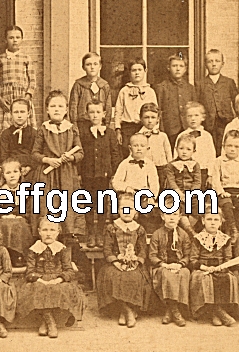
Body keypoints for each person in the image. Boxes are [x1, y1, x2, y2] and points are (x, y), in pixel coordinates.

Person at [16, 219, 85, 338]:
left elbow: (69, 270)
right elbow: (30, 272)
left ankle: (45, 323)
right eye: (45, 230)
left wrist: (58, 279)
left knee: (60, 289)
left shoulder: (62, 249)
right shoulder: (34, 250)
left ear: (58, 232)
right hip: (39, 279)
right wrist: (41, 280)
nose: (48, 233)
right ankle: (50, 322)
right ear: (39, 232)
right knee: (38, 288)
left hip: (57, 278)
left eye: (52, 230)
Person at [32, 90, 84, 236]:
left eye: (60, 106)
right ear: (47, 110)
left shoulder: (72, 128)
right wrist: (48, 160)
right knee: (47, 203)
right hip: (47, 174)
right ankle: (46, 235)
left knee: (66, 202)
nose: (57, 109)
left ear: (66, 110)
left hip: (66, 173)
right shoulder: (43, 129)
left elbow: (80, 153)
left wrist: (71, 157)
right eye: (53, 106)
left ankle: (67, 236)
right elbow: (35, 153)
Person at [97, 194, 151, 328]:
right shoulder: (112, 228)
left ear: (136, 211)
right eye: (123, 209)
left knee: (136, 277)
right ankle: (127, 311)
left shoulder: (139, 229)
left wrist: (136, 262)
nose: (127, 212)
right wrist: (116, 262)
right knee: (114, 276)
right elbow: (107, 249)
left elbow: (143, 250)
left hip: (134, 263)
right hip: (115, 263)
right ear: (118, 210)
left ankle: (127, 311)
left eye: (130, 209)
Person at [78, 101, 121, 247]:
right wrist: (79, 173)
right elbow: (80, 154)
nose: (95, 115)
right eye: (91, 112)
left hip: (104, 175)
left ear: (104, 114)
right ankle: (91, 233)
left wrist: (114, 173)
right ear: (87, 114)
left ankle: (101, 234)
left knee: (102, 205)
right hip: (88, 175)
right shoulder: (84, 133)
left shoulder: (110, 133)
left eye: (98, 112)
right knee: (89, 205)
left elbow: (115, 154)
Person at [189, 209, 238, 326]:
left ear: (221, 222)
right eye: (209, 219)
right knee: (205, 280)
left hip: (220, 268)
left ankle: (216, 313)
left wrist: (221, 267)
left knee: (229, 278)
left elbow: (228, 258)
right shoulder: (198, 239)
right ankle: (217, 312)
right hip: (202, 269)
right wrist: (205, 268)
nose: (212, 222)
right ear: (203, 221)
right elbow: (193, 260)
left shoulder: (225, 239)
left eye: (216, 220)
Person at [149, 208, 191, 327]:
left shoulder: (184, 235)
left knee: (184, 273)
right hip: (162, 266)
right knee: (167, 274)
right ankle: (175, 311)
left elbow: (188, 255)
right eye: (168, 214)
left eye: (175, 214)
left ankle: (170, 310)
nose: (172, 217)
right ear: (162, 216)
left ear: (179, 217)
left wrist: (180, 264)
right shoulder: (157, 234)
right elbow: (152, 256)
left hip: (179, 265)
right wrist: (165, 265)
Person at [111, 134, 161, 235]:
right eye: (135, 146)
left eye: (142, 146)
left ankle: (143, 234)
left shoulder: (150, 165)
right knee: (125, 207)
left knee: (147, 209)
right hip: (128, 195)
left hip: (143, 195)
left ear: (147, 149)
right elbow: (115, 182)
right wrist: (126, 188)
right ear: (130, 148)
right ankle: (126, 232)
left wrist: (152, 196)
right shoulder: (125, 164)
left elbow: (154, 183)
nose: (139, 148)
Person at [0, 158, 34, 266]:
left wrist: (22, 216)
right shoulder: (0, 191)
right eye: (8, 173)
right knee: (2, 225)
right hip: (3, 218)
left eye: (15, 172)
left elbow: (30, 208)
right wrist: (2, 215)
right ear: (3, 175)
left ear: (20, 173)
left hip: (20, 218)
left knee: (20, 225)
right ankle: (3, 256)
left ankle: (18, 255)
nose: (12, 175)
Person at [210, 130, 239, 239]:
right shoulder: (219, 161)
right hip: (224, 191)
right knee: (227, 205)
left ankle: (237, 226)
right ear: (223, 146)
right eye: (229, 146)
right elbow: (215, 179)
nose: (232, 149)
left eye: (236, 146)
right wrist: (221, 192)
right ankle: (233, 228)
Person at [0, 25, 36, 130]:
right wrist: (0, 99)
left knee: (24, 128)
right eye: (11, 38)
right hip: (5, 99)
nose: (15, 40)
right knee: (5, 128)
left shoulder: (26, 58)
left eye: (17, 37)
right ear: (5, 40)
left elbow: (32, 81)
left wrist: (26, 99)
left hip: (22, 97)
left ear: (22, 39)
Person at [196, 49, 238, 155]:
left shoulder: (229, 82)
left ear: (222, 64)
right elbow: (197, 105)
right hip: (208, 125)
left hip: (225, 123)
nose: (214, 64)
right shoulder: (200, 84)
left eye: (217, 61)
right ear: (205, 64)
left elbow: (237, 103)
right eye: (210, 61)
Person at [114, 58, 157, 157]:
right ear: (129, 72)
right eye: (134, 70)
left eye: (139, 70)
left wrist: (153, 129)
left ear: (145, 71)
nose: (137, 73)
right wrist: (118, 130)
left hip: (144, 128)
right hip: (127, 128)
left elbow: (155, 112)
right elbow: (118, 111)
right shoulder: (124, 91)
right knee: (127, 153)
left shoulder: (150, 91)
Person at [162, 134, 203, 236]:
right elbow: (171, 181)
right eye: (181, 148)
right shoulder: (171, 165)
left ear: (194, 151)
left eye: (188, 149)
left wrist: (190, 194)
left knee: (198, 206)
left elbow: (197, 181)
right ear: (176, 149)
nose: (184, 152)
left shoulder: (195, 165)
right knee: (178, 206)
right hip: (175, 193)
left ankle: (188, 230)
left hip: (191, 194)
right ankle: (191, 232)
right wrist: (179, 193)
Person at [154, 54, 196, 147]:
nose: (178, 69)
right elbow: (158, 111)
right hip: (170, 130)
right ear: (168, 67)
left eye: (181, 66)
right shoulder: (162, 87)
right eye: (174, 66)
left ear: (185, 69)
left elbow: (194, 110)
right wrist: (162, 131)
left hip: (187, 129)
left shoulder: (190, 88)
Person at [69, 52, 113, 135]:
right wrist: (74, 124)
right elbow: (73, 106)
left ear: (100, 66)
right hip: (82, 124)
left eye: (95, 64)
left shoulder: (104, 85)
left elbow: (108, 106)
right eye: (88, 64)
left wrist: (107, 124)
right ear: (83, 67)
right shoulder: (78, 85)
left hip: (100, 124)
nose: (92, 67)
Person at [175, 101, 216, 190]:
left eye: (196, 115)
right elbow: (176, 155)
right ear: (185, 118)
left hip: (202, 172)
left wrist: (210, 175)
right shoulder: (181, 135)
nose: (193, 119)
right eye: (189, 116)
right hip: (186, 172)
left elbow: (211, 156)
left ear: (203, 117)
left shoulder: (207, 136)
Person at [0, 99, 37, 175]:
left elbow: (36, 154)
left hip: (30, 168)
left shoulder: (34, 133)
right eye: (16, 112)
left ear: (28, 113)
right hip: (11, 168)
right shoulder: (6, 134)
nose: (19, 115)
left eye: (22, 112)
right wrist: (15, 168)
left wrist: (29, 167)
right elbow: (4, 155)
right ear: (11, 114)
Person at [139, 103, 173, 169]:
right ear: (141, 118)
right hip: (145, 168)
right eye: (146, 117)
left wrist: (170, 168)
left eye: (153, 117)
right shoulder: (138, 136)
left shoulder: (163, 136)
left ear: (158, 119)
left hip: (162, 167)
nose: (150, 121)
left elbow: (168, 154)